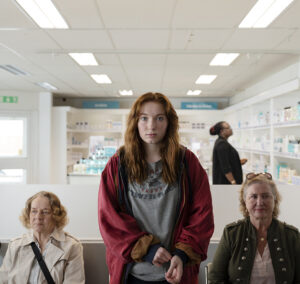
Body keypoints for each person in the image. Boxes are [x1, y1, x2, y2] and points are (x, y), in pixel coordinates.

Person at [98, 92, 214, 284]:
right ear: (135, 122)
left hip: (176, 273)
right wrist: (147, 248)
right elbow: (109, 219)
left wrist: (182, 254)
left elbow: (202, 215)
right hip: (131, 274)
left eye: (159, 118)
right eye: (144, 118)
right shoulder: (118, 165)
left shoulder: (187, 162)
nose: (151, 126)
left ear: (169, 122)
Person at [208, 172, 300, 284]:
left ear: (275, 200)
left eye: (265, 196)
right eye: (253, 196)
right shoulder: (232, 234)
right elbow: (215, 278)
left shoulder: (291, 236)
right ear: (244, 201)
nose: (260, 202)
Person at [0, 191, 85, 284]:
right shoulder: (15, 245)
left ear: (56, 216)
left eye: (45, 212)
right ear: (28, 214)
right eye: (34, 211)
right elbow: (3, 280)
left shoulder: (71, 247)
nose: (38, 216)